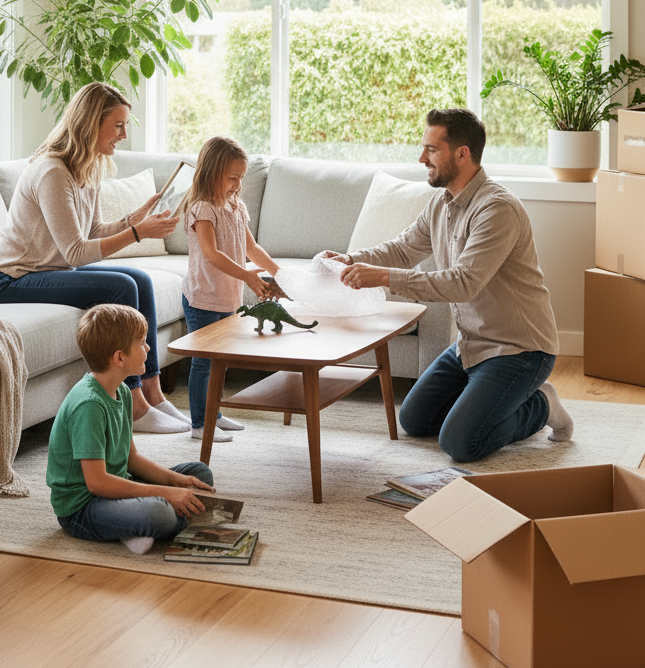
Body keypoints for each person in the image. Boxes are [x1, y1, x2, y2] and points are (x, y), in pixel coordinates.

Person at [320, 107, 573, 462]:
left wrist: (382, 278)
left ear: (462, 153)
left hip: (519, 349)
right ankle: (485, 401)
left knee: (460, 443)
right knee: (414, 419)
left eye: (431, 150)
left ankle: (542, 407)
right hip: (471, 343)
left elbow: (463, 283)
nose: (422, 158)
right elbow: (403, 249)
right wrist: (351, 259)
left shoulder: (497, 209)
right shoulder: (442, 203)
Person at [0, 82, 190, 433]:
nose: (123, 135)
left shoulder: (89, 167)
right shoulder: (52, 172)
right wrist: (139, 234)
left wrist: (133, 219)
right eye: (118, 125)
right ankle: (134, 406)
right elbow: (76, 251)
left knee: (139, 280)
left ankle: (155, 392)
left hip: (47, 271)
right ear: (92, 124)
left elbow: (92, 230)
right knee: (121, 286)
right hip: (10, 280)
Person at [46, 304, 216, 554]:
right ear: (119, 358)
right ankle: (133, 526)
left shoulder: (123, 391)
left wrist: (176, 481)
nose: (148, 348)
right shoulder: (89, 405)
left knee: (199, 474)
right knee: (161, 513)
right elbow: (97, 484)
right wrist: (166, 494)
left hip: (117, 486)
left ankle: (132, 525)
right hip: (82, 508)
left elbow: (130, 458)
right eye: (142, 343)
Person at [181, 136, 281, 442]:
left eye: (241, 178)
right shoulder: (202, 209)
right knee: (204, 361)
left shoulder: (236, 206)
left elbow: (251, 247)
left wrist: (279, 273)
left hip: (227, 297)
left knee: (219, 360)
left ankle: (216, 415)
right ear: (212, 173)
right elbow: (212, 254)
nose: (238, 185)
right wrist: (250, 277)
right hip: (202, 297)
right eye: (232, 178)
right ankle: (200, 424)